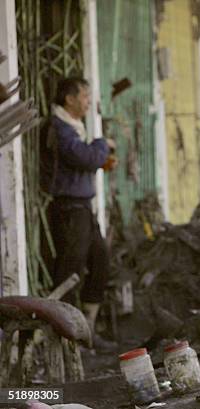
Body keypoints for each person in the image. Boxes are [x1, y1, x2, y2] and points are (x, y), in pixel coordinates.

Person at [40, 77, 117, 351]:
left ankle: (87, 329)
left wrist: (97, 152)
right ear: (69, 99)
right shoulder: (59, 128)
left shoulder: (72, 127)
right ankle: (67, 337)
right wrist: (101, 144)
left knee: (100, 261)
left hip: (83, 208)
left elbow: (89, 159)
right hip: (68, 209)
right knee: (70, 272)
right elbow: (86, 158)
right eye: (84, 96)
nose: (87, 102)